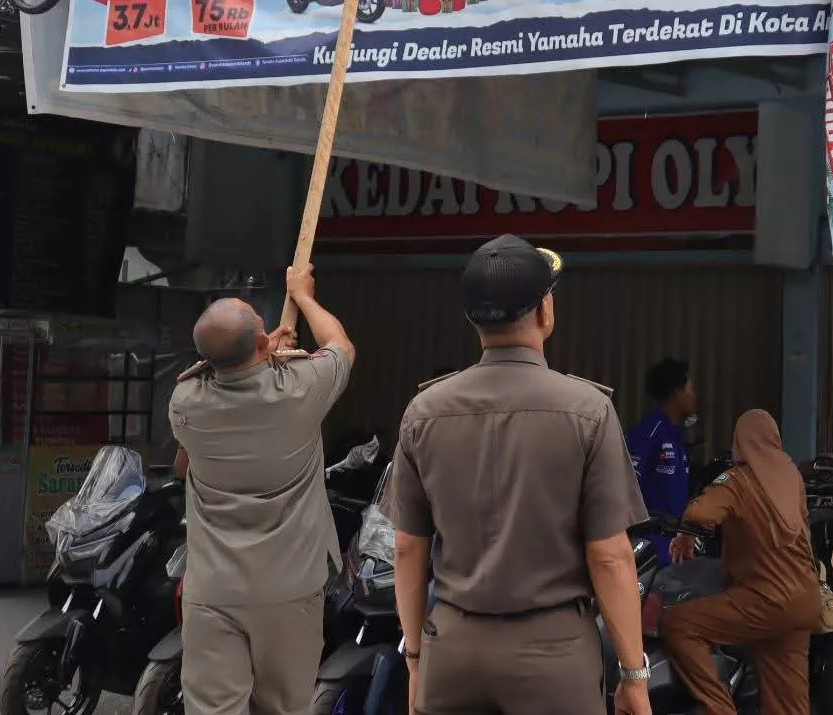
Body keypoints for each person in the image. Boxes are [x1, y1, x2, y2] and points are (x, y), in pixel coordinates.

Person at [382, 234, 652, 715]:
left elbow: (407, 546)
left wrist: (418, 658)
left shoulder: (423, 411)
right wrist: (633, 676)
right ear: (546, 312)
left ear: (471, 319)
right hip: (554, 656)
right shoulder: (588, 411)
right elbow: (610, 557)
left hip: (453, 652)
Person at [169, 265, 355, 715]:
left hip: (213, 589)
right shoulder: (300, 390)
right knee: (283, 705)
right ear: (259, 343)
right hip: (289, 589)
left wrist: (260, 357)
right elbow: (341, 346)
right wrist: (303, 296)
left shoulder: (185, 403)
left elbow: (182, 465)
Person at [661, 409, 820, 715]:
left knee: (678, 623)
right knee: (787, 705)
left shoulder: (736, 480)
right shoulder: (791, 474)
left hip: (765, 599)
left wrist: (683, 536)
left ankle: (719, 708)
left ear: (740, 443)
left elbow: (700, 514)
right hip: (804, 603)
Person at [626, 357, 697, 563]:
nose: (694, 396)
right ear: (677, 393)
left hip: (676, 553)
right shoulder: (649, 433)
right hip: (652, 555)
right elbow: (627, 486)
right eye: (690, 389)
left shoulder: (678, 438)